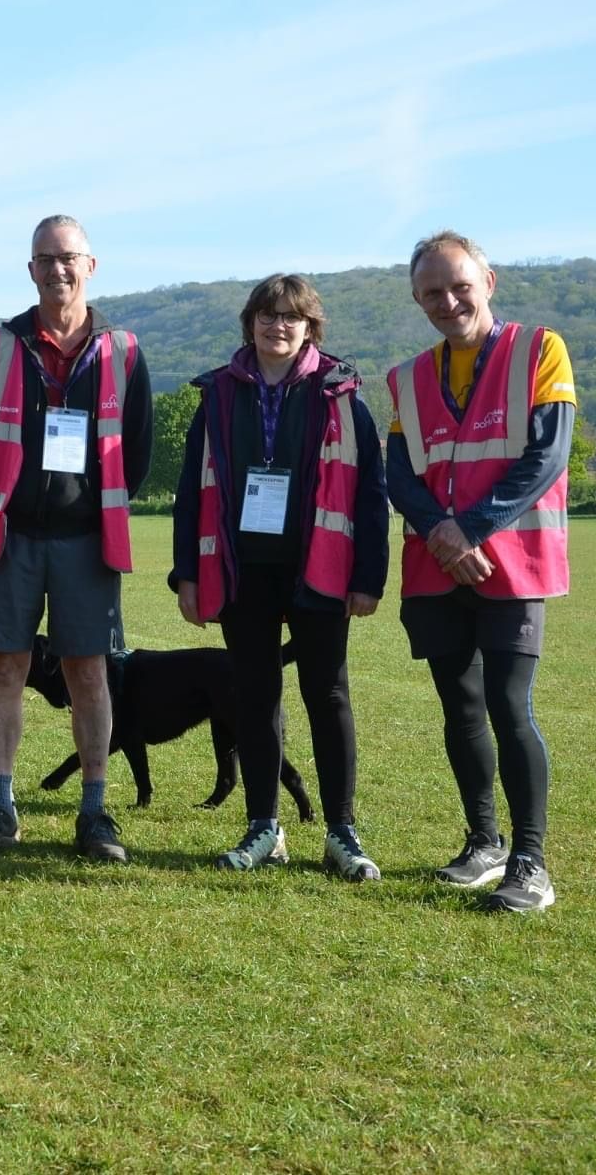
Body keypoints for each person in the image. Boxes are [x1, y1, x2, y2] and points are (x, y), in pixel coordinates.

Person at [171, 275, 390, 878]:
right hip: (243, 569)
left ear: (310, 327)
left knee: (329, 693)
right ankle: (264, 826)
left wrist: (368, 576)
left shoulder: (341, 394)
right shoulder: (218, 393)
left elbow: (372, 490)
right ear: (250, 323)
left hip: (320, 563)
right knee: (255, 696)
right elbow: (192, 491)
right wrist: (185, 573)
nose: (278, 325)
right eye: (267, 315)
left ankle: (342, 832)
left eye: (291, 317)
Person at [0, 215, 152, 859]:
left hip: (87, 541)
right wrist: (6, 504)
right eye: (46, 258)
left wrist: (91, 505)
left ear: (89, 266)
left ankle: (94, 813)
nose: (58, 268)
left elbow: (139, 450)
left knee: (88, 673)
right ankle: (1, 807)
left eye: (69, 257)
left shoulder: (122, 350)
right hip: (12, 537)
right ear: (31, 270)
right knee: (5, 669)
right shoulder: (1, 346)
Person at [387, 231, 575, 913]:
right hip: (438, 569)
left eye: (459, 285)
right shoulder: (407, 379)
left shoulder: (540, 350)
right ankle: (485, 841)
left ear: (487, 281)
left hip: (513, 564)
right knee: (460, 707)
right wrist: (443, 535)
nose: (448, 300)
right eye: (431, 293)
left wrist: (467, 528)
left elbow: (547, 458)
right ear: (417, 300)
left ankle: (530, 862)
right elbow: (398, 476)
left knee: (507, 703)